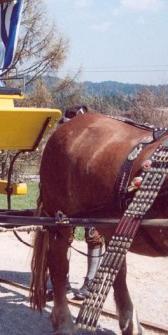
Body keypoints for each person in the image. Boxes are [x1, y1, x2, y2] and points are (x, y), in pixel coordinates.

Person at [46, 105, 105, 301]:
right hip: (64, 196)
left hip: (87, 196)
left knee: (94, 234)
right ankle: (61, 279)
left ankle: (91, 281)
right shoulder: (59, 145)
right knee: (63, 234)